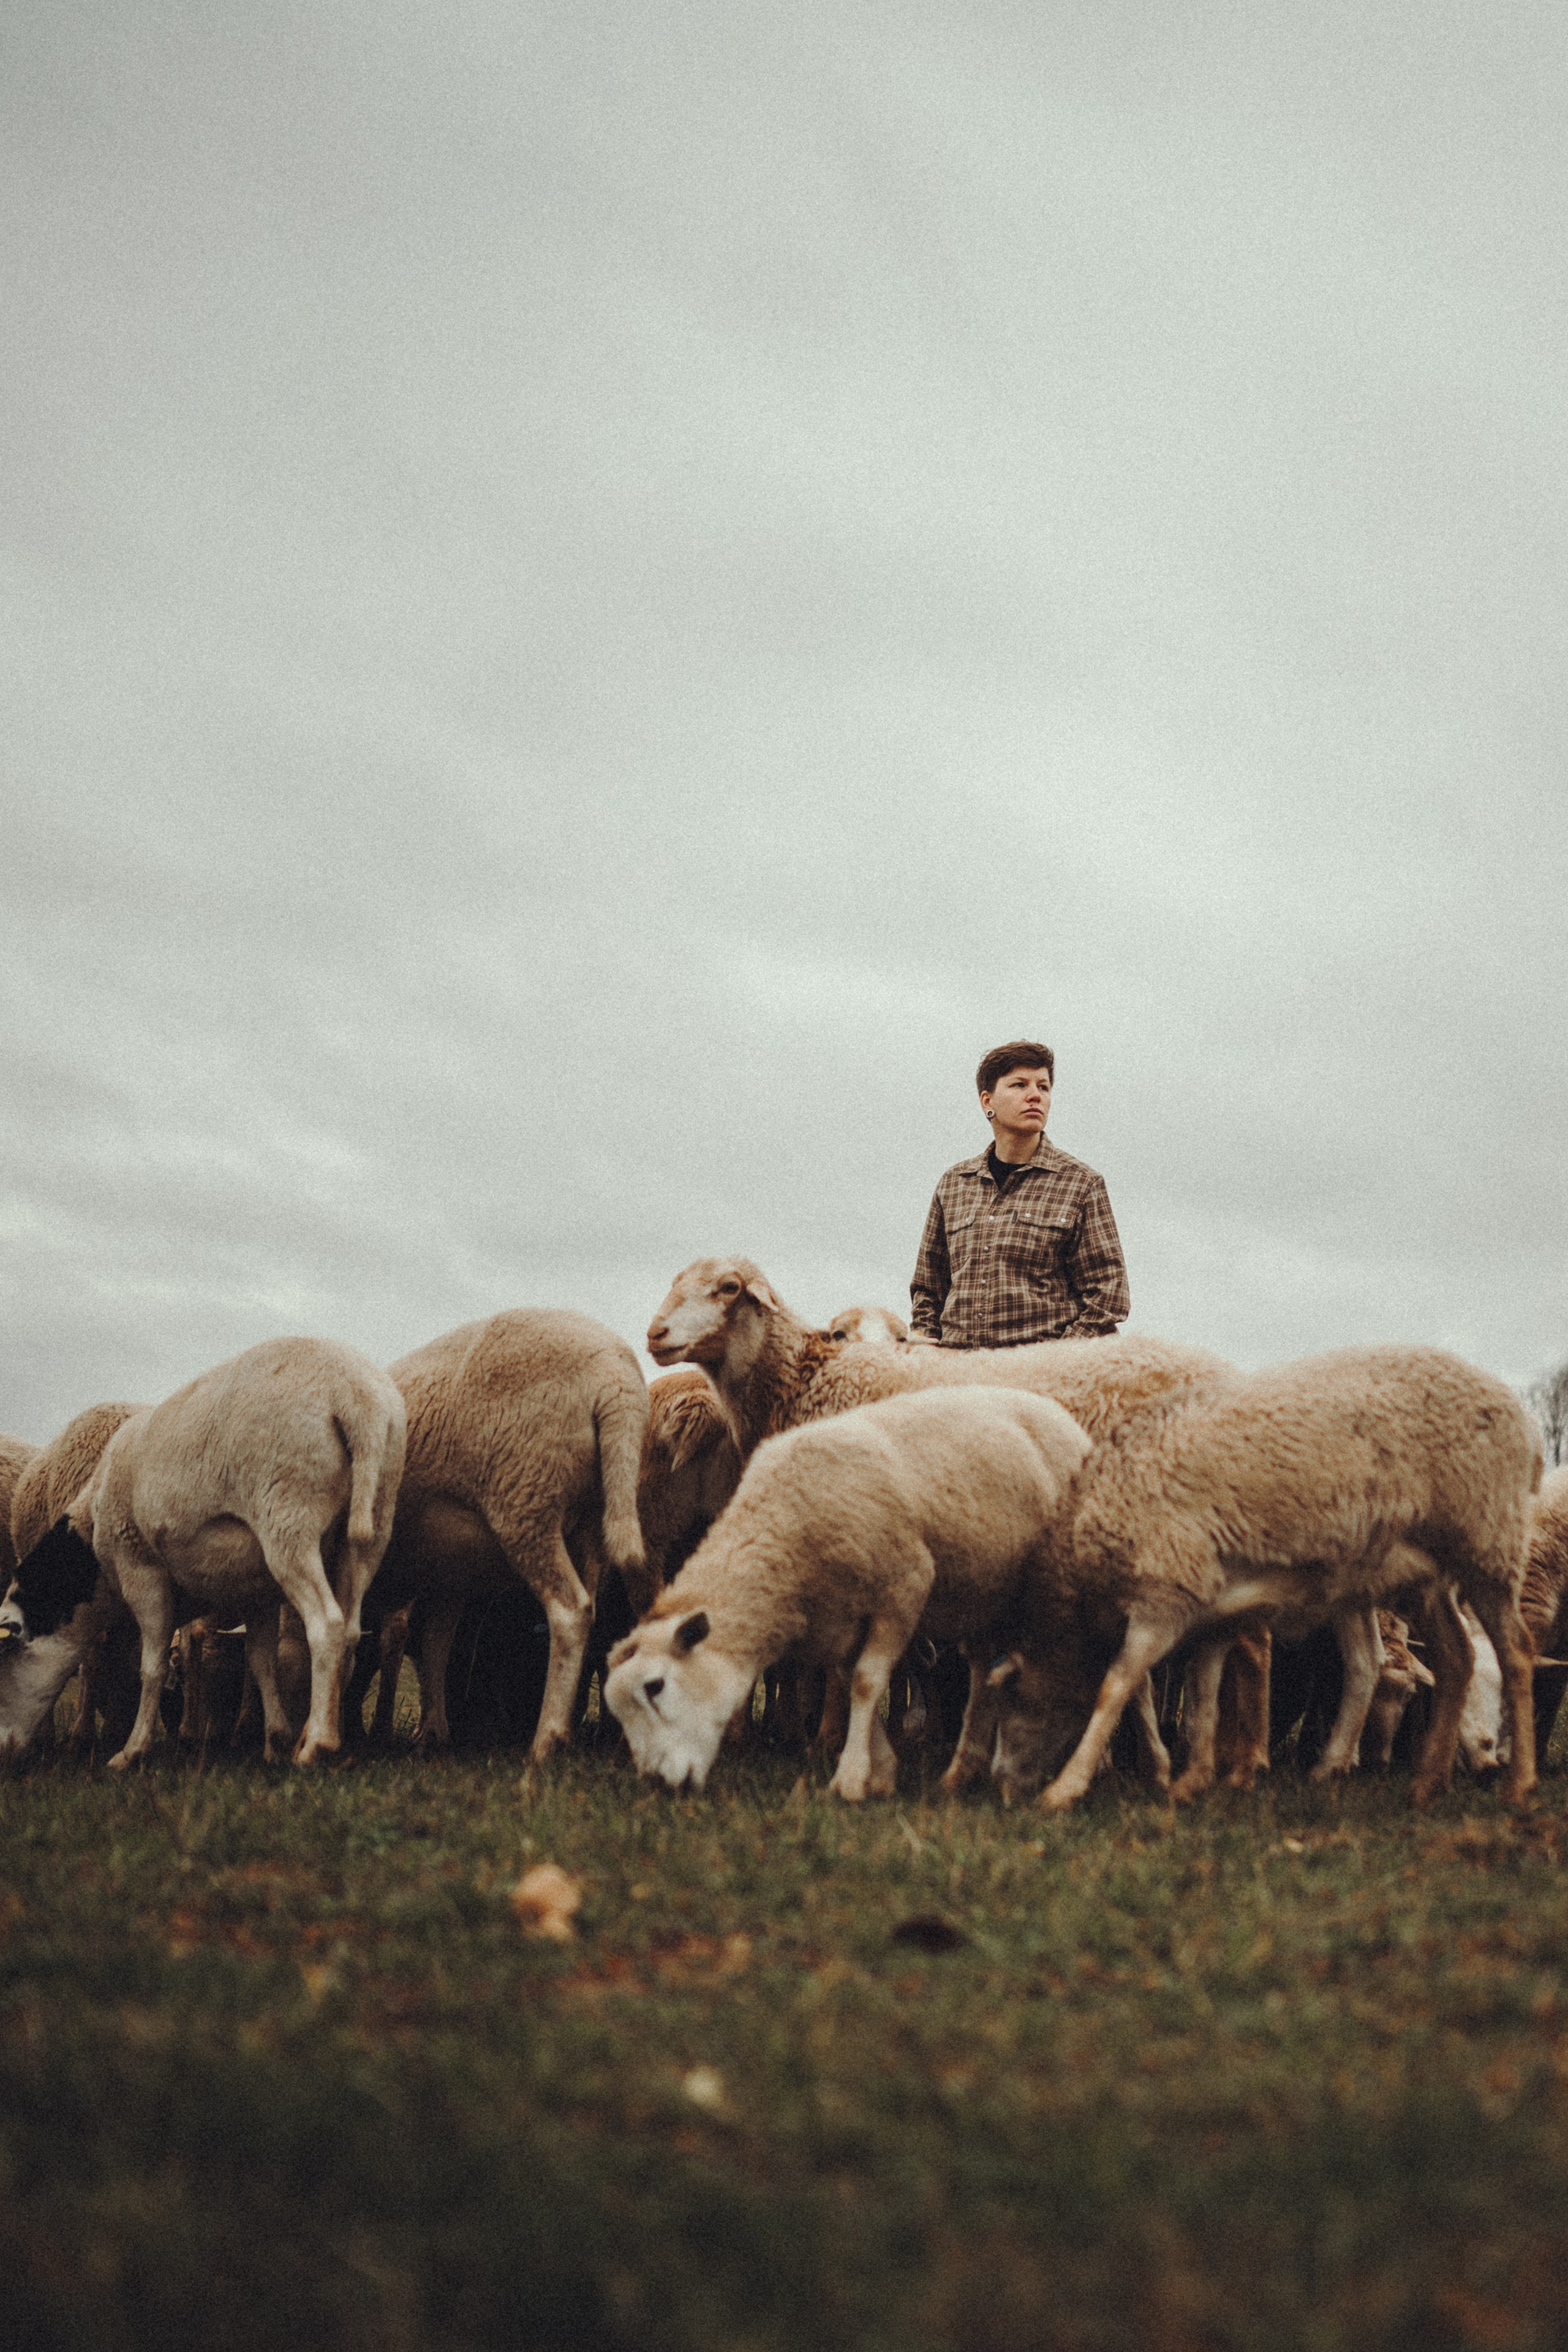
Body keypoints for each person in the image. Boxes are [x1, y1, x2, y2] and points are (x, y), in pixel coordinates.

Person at [909, 1039, 1129, 1347]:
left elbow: (1109, 1295)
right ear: (988, 1101)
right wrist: (926, 1346)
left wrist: (1057, 1361)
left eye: (1044, 1087)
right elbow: (928, 1289)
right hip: (959, 1373)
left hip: (1039, 1374)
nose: (1035, 1095)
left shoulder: (1081, 1183)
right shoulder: (954, 1183)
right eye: (1019, 1085)